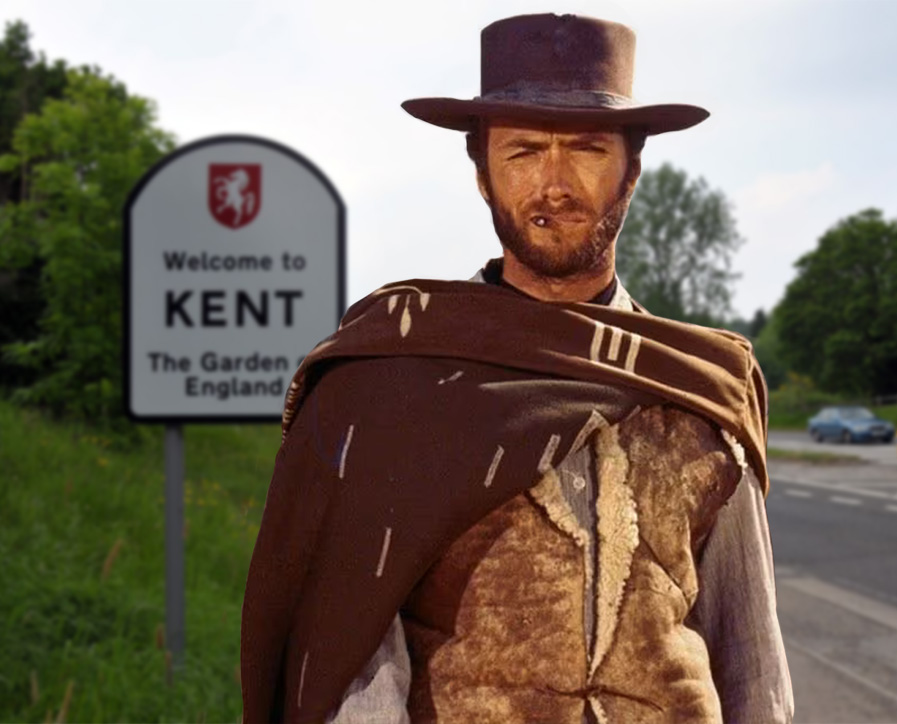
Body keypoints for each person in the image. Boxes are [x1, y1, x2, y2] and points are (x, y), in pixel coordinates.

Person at [240, 13, 794, 724]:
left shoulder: (699, 383)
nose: (554, 183)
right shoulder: (395, 383)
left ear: (631, 171)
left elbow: (750, 654)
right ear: (481, 173)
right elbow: (354, 658)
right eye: (525, 151)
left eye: (588, 149)